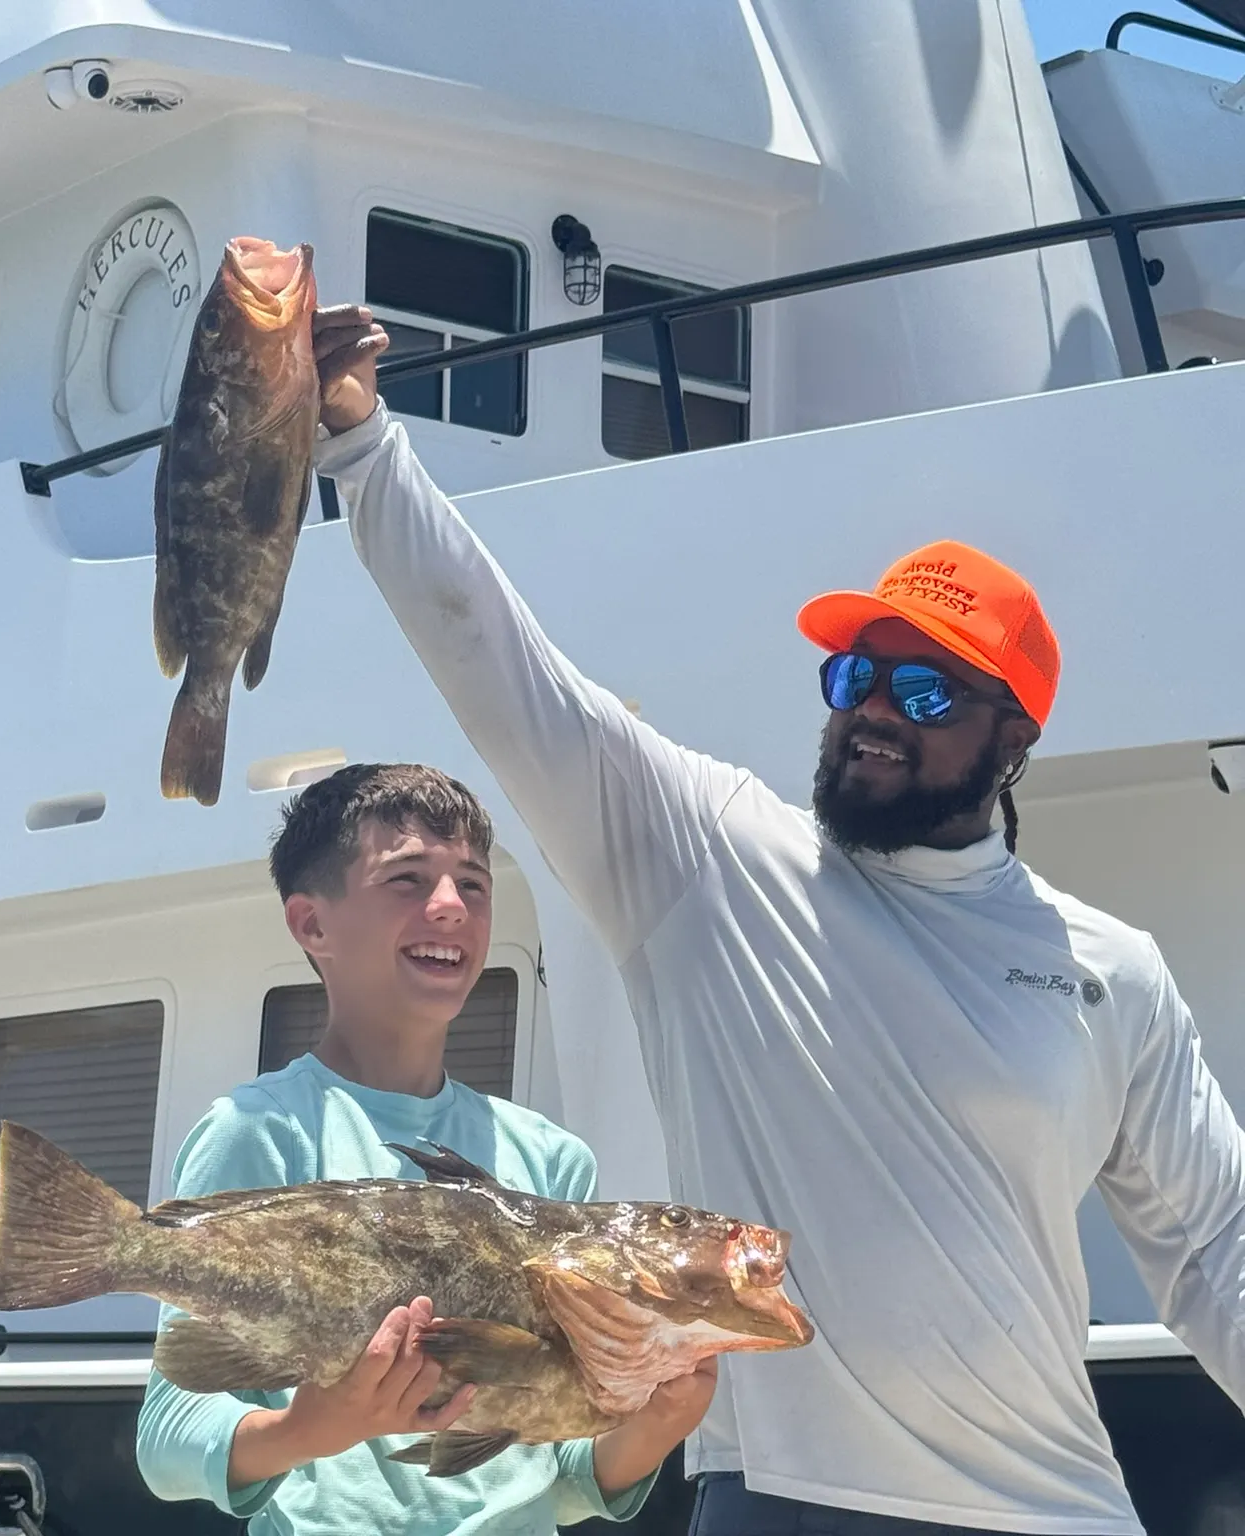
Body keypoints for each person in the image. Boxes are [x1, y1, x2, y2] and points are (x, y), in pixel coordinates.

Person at [307, 305, 1245, 1536]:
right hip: (785, 1501)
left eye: (924, 689)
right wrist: (363, 447)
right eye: (856, 674)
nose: (873, 711)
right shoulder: (709, 860)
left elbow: (1217, 1255)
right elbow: (502, 665)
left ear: (1014, 740)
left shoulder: (1111, 971)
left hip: (1060, 1508)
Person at [135, 762, 714, 1535]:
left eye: (474, 886)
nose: (451, 908)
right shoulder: (259, 1132)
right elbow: (167, 1443)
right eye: (408, 880)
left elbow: (565, 1475)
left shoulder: (549, 1159)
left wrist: (661, 1422)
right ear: (312, 925)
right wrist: (311, 1430)